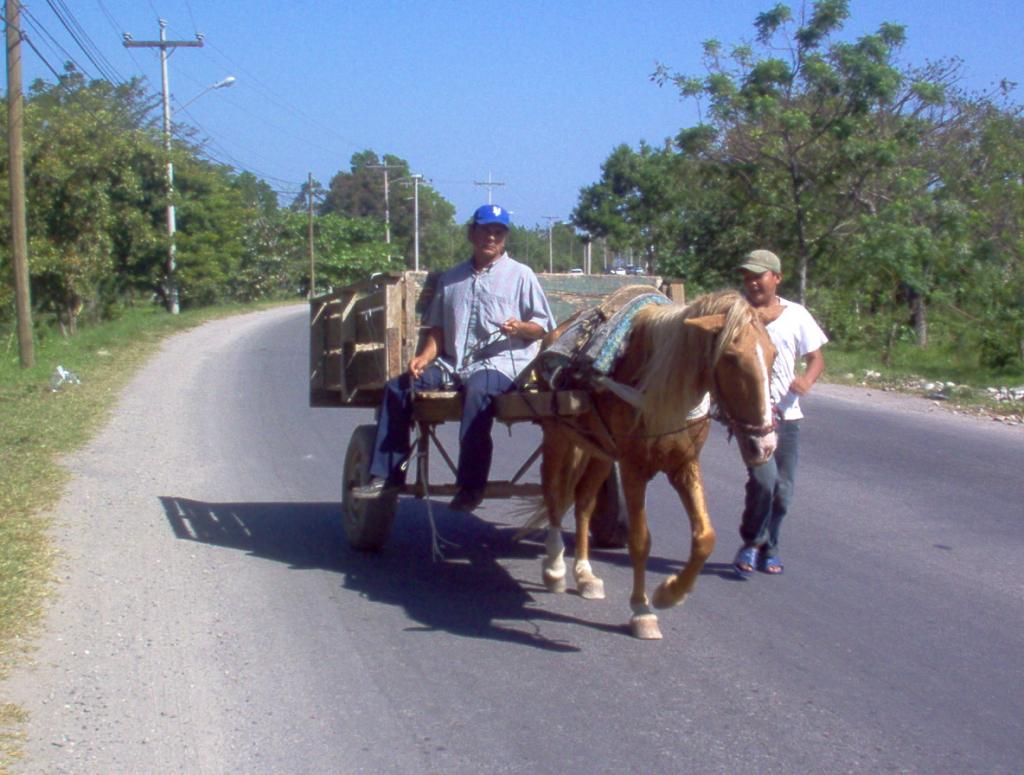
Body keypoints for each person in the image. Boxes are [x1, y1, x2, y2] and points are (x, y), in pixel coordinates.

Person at [352, 204, 556, 512]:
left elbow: (542, 327)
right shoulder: (452, 279)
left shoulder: (520, 275)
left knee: (478, 391)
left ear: (505, 238)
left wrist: (520, 327)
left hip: (501, 364)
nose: (491, 237)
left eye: (498, 232)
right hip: (454, 363)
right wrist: (423, 357)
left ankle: (470, 487)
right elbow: (438, 331)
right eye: (485, 230)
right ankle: (386, 476)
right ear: (472, 233)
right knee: (398, 387)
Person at [732, 249, 828, 577]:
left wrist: (806, 379)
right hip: (751, 418)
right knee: (764, 481)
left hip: (788, 416)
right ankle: (751, 541)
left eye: (758, 276)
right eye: (747, 277)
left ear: (776, 278)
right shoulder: (737, 313)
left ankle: (769, 547)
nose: (752, 283)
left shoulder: (796, 314)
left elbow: (816, 358)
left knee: (783, 491)